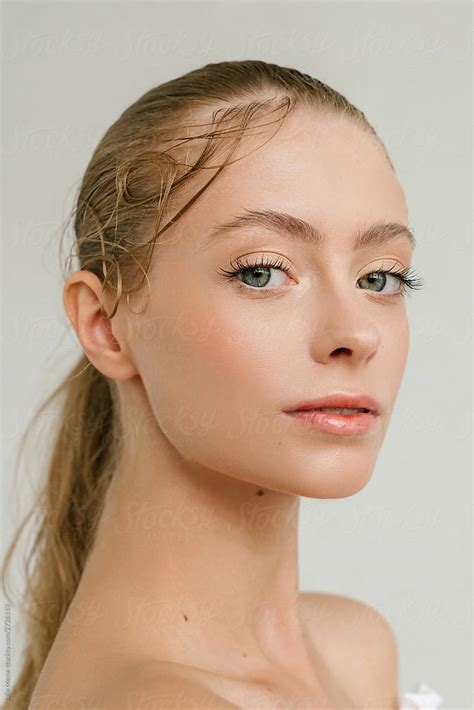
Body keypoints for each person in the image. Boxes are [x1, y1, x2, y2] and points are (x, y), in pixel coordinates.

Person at [4, 59, 431, 709]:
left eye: (380, 277)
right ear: (105, 326)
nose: (357, 333)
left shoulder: (355, 646)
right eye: (262, 272)